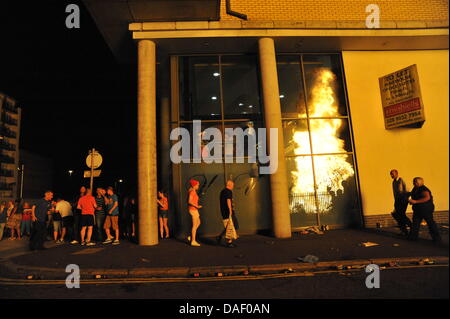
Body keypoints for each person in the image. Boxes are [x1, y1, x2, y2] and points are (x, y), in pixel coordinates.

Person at [408, 177, 442, 244]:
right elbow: (413, 195)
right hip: (418, 209)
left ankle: (437, 238)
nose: (413, 183)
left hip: (426, 209)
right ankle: (413, 237)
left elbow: (427, 197)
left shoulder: (424, 189)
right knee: (415, 223)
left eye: (414, 182)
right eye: (413, 181)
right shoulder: (415, 188)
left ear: (419, 183)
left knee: (430, 223)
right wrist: (411, 201)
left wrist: (415, 201)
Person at [390, 169, 412, 236]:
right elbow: (395, 193)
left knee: (401, 215)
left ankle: (411, 227)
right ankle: (404, 230)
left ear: (397, 173)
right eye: (390, 174)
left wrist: (407, 199)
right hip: (397, 201)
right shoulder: (393, 182)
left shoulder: (401, 180)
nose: (391, 175)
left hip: (403, 200)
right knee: (396, 214)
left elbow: (407, 190)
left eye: (392, 174)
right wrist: (395, 201)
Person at [217, 180, 238, 248]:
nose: (233, 186)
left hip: (224, 211)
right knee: (230, 226)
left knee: (231, 225)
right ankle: (229, 242)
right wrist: (230, 210)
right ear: (230, 185)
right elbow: (228, 200)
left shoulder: (222, 191)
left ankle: (220, 236)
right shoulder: (229, 191)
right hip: (228, 211)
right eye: (232, 185)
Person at [187, 179, 202, 247]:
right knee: (194, 225)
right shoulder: (192, 192)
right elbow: (189, 201)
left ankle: (191, 236)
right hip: (193, 210)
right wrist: (197, 206)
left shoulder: (193, 191)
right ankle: (193, 241)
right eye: (198, 185)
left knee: (198, 223)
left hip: (195, 210)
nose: (198, 186)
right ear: (194, 185)